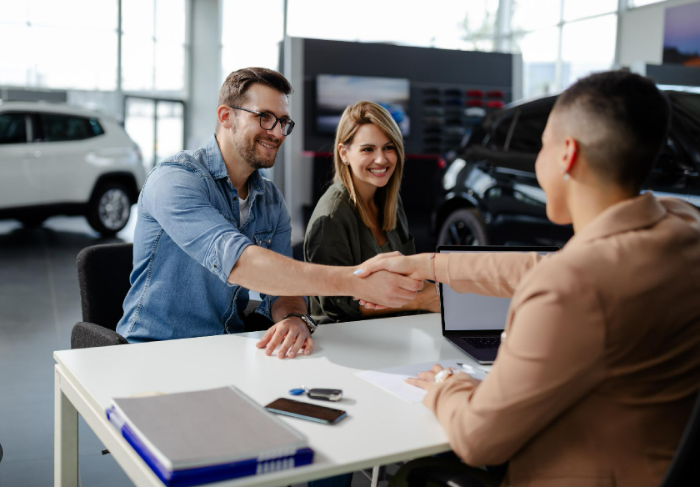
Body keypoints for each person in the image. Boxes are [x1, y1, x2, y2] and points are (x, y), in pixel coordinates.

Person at [358, 71, 700, 485]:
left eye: (540, 146)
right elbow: (545, 265)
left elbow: (477, 438)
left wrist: (447, 383)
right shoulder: (682, 224)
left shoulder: (572, 287)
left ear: (566, 155)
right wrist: (428, 264)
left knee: (414, 475)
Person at [116, 68, 421, 359]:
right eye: (265, 118)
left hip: (226, 350)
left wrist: (293, 318)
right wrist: (356, 282)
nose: (276, 132)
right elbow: (241, 263)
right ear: (226, 117)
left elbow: (283, 292)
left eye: (283, 122)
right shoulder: (175, 180)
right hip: (155, 352)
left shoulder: (271, 199)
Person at [304, 101, 439, 322]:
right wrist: (423, 300)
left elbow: (409, 273)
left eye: (389, 147)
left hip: (396, 330)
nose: (381, 159)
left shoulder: (390, 201)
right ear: (344, 153)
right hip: (348, 342)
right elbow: (337, 307)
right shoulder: (331, 217)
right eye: (368, 149)